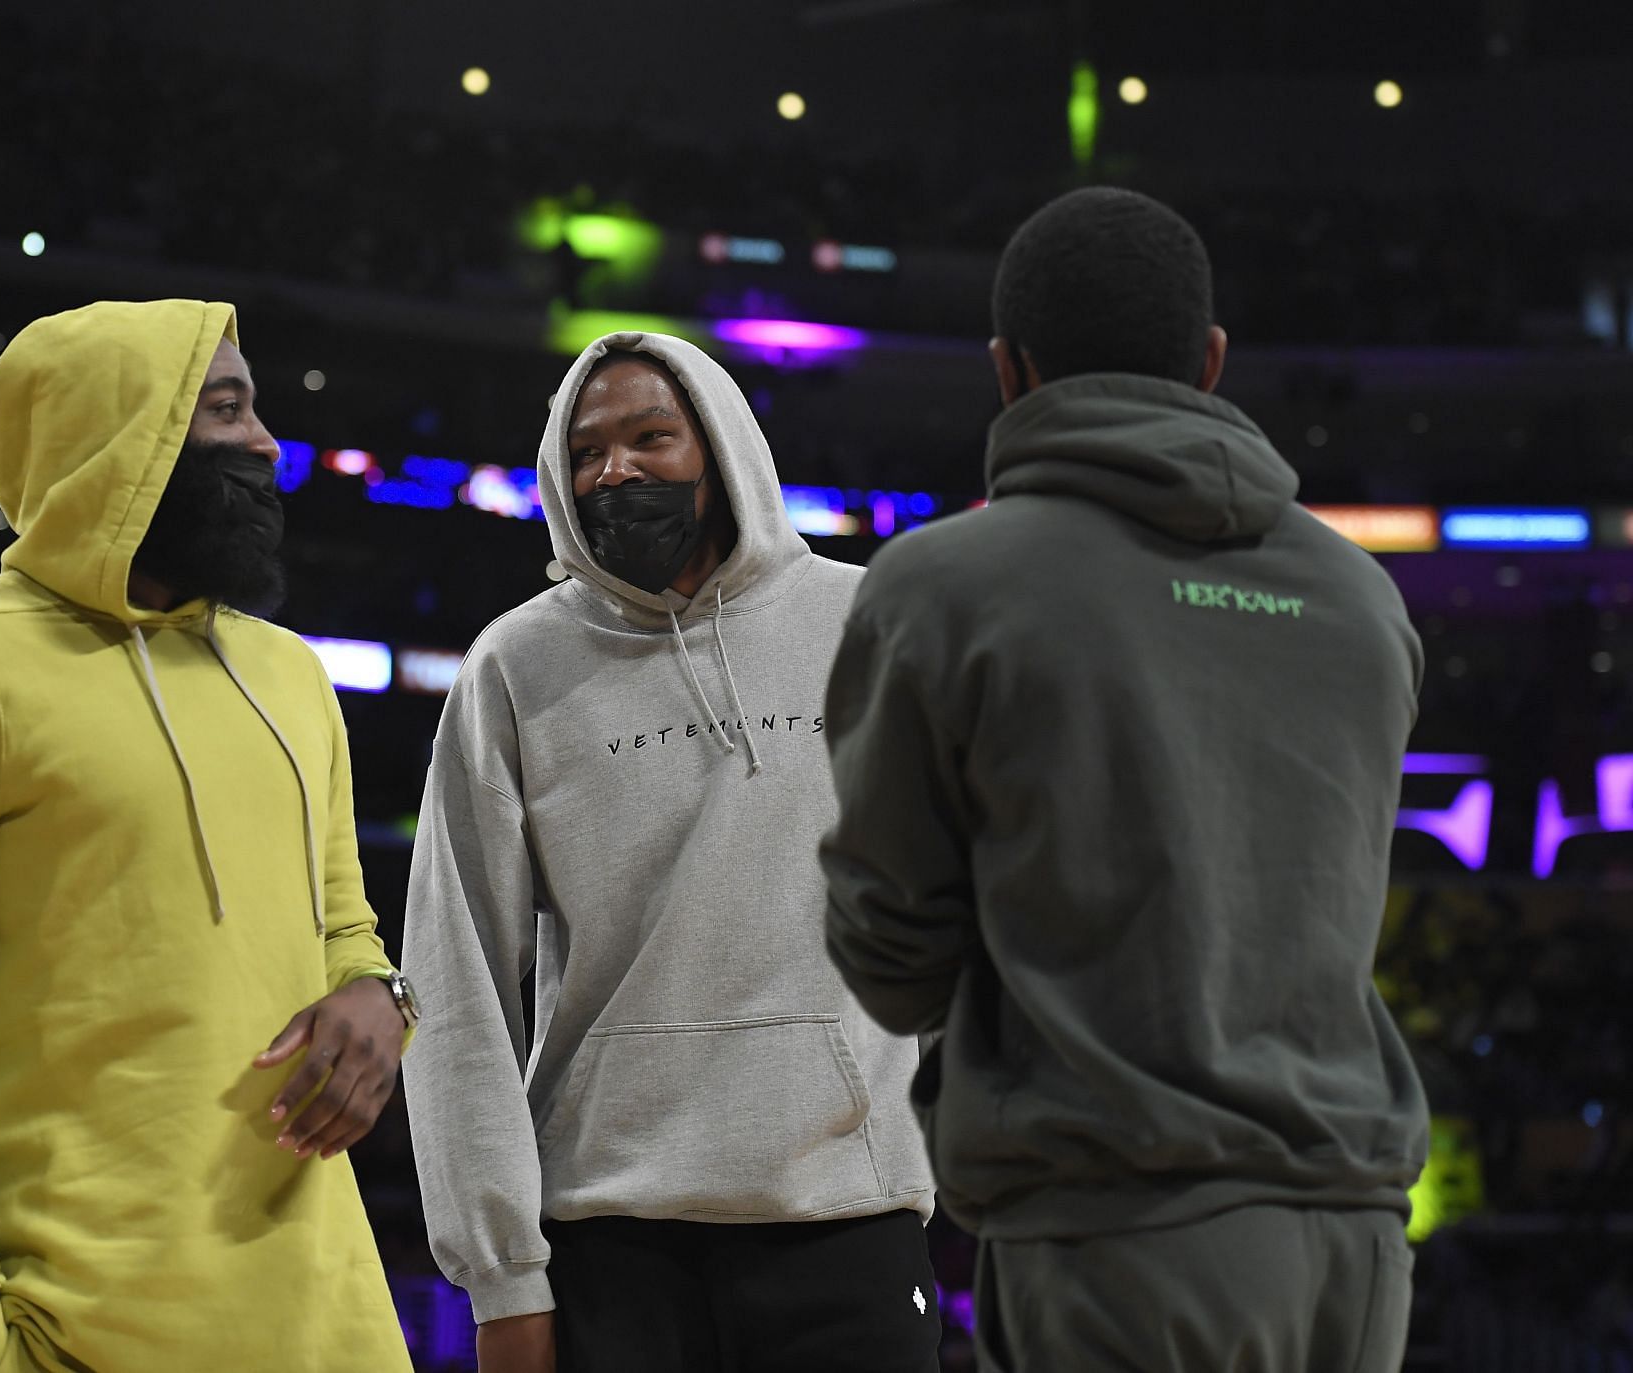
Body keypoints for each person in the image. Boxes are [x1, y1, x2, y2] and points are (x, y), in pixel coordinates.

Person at [819, 188, 1430, 1373]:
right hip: (1357, 1241)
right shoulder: (1365, 601)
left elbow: (893, 954)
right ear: (1210, 362)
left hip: (1118, 1226)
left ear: (1010, 370)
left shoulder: (948, 585)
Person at [0, 299, 416, 1373]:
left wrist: (381, 998)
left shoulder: (291, 672)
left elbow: (347, 928)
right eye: (228, 409)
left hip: (331, 1315)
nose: (266, 441)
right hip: (74, 1327)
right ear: (125, 437)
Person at [402, 331, 938, 1373]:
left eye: (652, 436)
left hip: (851, 1217)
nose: (618, 470)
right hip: (612, 1238)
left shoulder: (870, 621)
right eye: (589, 449)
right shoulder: (516, 664)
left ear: (725, 446)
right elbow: (456, 977)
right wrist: (503, 1274)